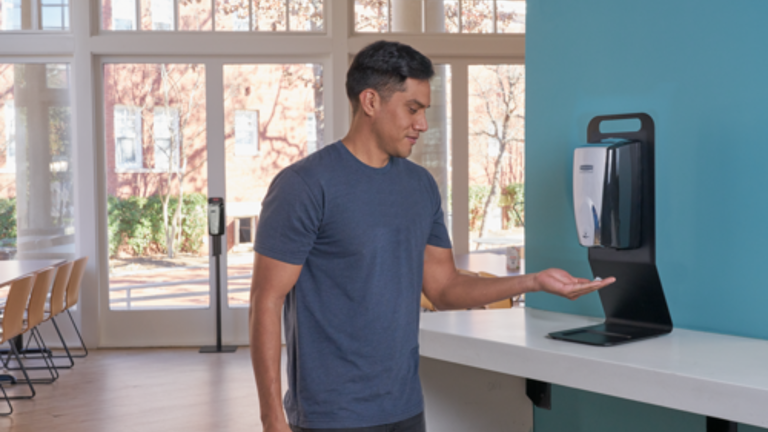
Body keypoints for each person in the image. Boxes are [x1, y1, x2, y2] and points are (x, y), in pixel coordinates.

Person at [249, 40, 615, 432]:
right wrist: (273, 419)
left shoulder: (420, 186)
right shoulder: (304, 186)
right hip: (331, 416)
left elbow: (444, 288)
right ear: (370, 101)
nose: (422, 124)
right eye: (413, 109)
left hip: (404, 408)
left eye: (424, 111)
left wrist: (534, 281)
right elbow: (266, 302)